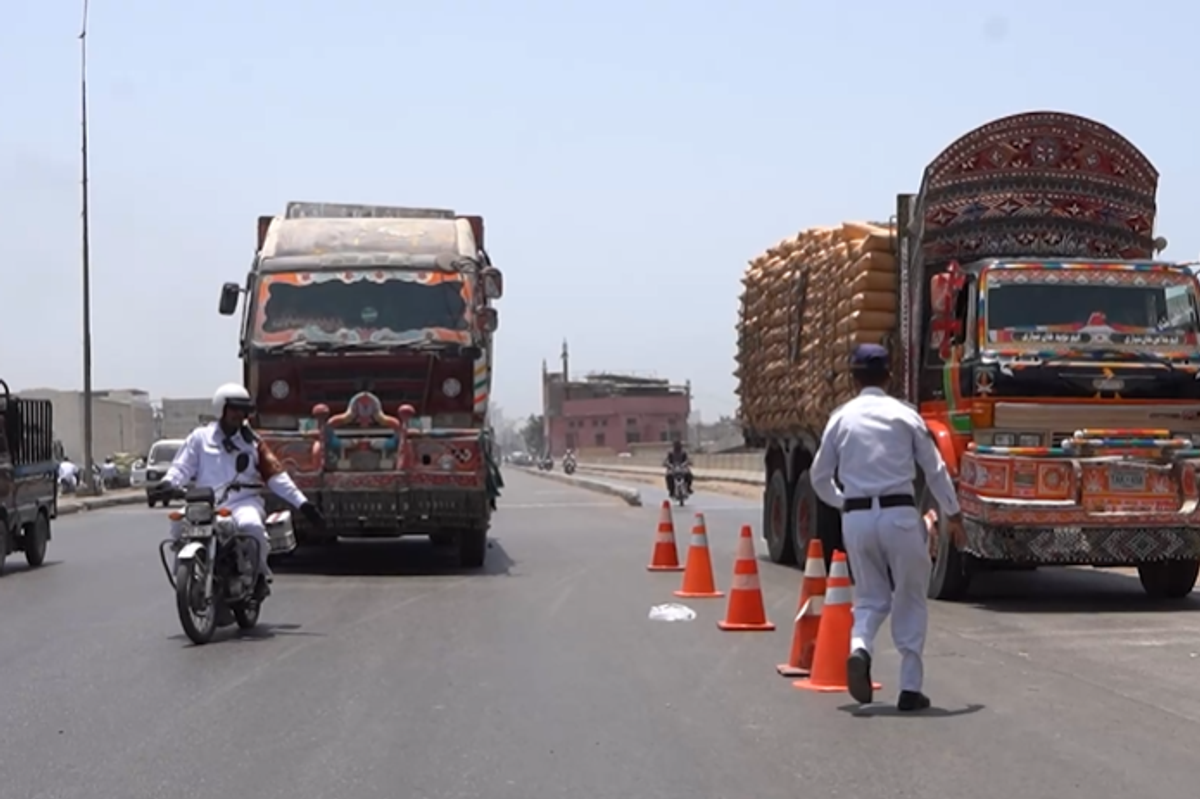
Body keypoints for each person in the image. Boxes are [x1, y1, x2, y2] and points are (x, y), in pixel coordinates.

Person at [808, 343, 966, 712]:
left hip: (857, 519)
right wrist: (955, 515)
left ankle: (860, 648)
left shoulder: (841, 419)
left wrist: (844, 503)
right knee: (910, 596)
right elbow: (935, 470)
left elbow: (819, 477)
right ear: (889, 376)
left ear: (853, 378)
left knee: (870, 598)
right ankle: (910, 688)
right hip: (899, 516)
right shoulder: (905, 416)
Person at [157, 383, 325, 599]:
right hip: (205, 503)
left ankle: (259, 575)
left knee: (252, 527)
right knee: (178, 522)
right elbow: (182, 467)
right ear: (221, 409)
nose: (239, 415)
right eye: (234, 409)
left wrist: (303, 504)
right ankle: (187, 572)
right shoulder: (199, 438)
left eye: (243, 410)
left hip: (242, 502)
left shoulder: (253, 443)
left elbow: (276, 476)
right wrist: (168, 482)